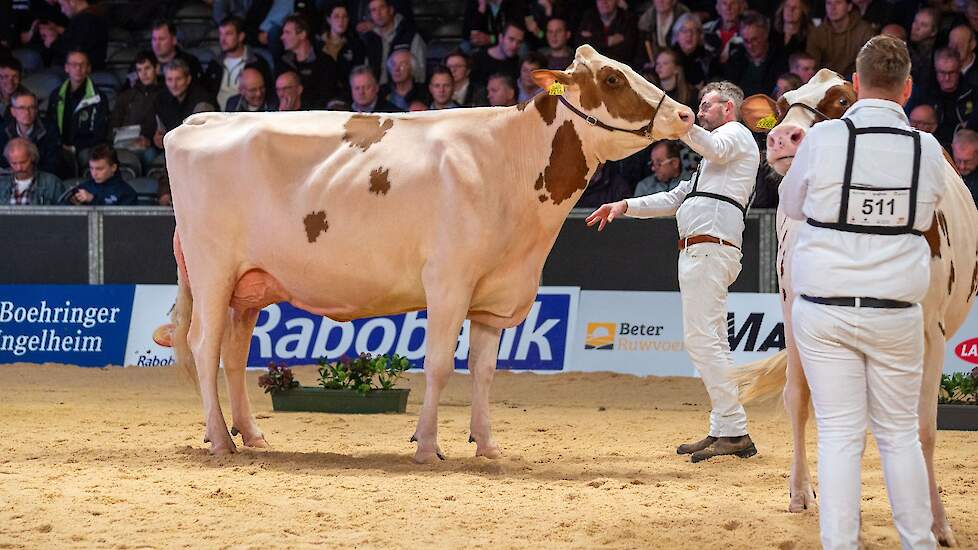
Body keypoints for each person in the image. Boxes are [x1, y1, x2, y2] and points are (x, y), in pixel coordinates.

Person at [779, 35, 944, 549]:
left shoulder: (824, 140)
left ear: (855, 84)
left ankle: (841, 545)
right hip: (896, 311)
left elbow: (791, 202)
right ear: (907, 88)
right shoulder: (927, 147)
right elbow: (929, 210)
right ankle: (917, 542)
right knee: (899, 436)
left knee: (840, 436)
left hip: (825, 312)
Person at [586, 81, 760, 463]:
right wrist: (625, 205)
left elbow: (710, 145)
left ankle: (734, 429)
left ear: (727, 108)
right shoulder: (712, 159)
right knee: (713, 341)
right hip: (702, 249)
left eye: (705, 104)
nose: (699, 110)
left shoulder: (735, 135)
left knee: (702, 341)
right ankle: (725, 428)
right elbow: (674, 198)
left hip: (709, 248)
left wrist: (684, 125)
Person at [46, 49, 109, 168]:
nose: (78, 68)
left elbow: (100, 134)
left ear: (89, 68)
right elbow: (50, 124)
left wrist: (74, 148)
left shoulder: (98, 98)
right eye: (73, 64)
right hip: (59, 146)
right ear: (66, 68)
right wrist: (59, 145)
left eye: (82, 64)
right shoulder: (56, 95)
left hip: (85, 148)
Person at [204, 16, 273, 112]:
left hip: (245, 115)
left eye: (228, 34)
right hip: (218, 117)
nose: (223, 39)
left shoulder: (257, 62)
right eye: (221, 34)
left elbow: (266, 94)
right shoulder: (215, 63)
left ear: (241, 36)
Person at [279, 14, 339, 108]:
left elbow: (327, 96)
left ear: (302, 34)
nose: (282, 37)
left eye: (287, 33)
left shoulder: (325, 62)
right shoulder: (283, 64)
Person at [0, 89, 64, 176]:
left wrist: (26, 172)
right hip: (11, 179)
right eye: (21, 108)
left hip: (42, 179)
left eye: (32, 107)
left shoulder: (50, 129)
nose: (27, 112)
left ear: (36, 110)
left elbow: (54, 165)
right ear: (13, 111)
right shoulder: (3, 130)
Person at [805, 0, 875, 77]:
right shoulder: (817, 33)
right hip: (825, 80)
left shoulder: (864, 30)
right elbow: (812, 63)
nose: (832, 8)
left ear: (849, 7)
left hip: (855, 79)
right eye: (829, 3)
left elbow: (868, 63)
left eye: (838, 3)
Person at [0, 138, 65, 205]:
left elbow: (65, 212)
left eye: (23, 162)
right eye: (14, 163)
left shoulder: (52, 183)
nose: (19, 168)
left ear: (32, 158)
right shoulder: (2, 183)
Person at [67, 144, 138, 206]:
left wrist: (93, 200)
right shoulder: (84, 188)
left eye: (99, 169)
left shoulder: (127, 194)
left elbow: (119, 220)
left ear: (113, 167)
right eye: (91, 168)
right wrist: (72, 202)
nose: (94, 173)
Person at [952, 128, 978, 203]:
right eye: (958, 160)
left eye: (968, 161)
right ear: (952, 148)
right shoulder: (943, 167)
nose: (962, 166)